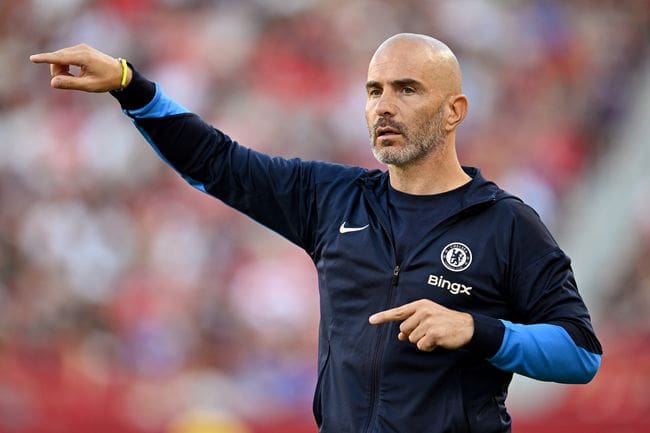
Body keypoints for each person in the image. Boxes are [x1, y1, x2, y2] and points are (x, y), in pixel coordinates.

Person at [30, 33, 602, 433]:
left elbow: (581, 354)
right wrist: (130, 85)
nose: (384, 106)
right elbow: (220, 164)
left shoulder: (506, 223)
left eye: (406, 89)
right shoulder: (332, 198)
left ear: (454, 110)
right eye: (374, 90)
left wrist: (478, 330)